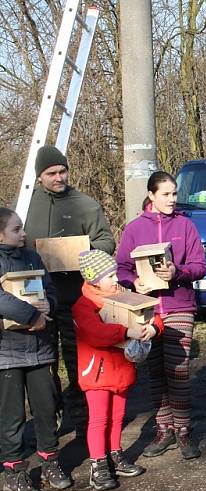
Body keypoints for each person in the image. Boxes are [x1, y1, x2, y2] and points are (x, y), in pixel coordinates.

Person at [23, 145, 116, 437]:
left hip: (78, 297)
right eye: (51, 173)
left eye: (62, 171)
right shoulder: (26, 206)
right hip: (38, 299)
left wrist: (80, 251)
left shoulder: (85, 205)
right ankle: (50, 416)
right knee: (44, 360)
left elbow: (106, 242)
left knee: (78, 359)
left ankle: (82, 417)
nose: (58, 177)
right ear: (39, 176)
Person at [117, 171, 206, 460]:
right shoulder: (133, 229)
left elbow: (200, 266)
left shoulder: (185, 225)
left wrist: (177, 273)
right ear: (151, 195)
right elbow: (122, 269)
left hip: (179, 306)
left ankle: (183, 429)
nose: (172, 199)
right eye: (166, 194)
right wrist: (134, 283)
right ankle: (163, 428)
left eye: (174, 193)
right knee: (155, 371)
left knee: (177, 369)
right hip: (147, 309)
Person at [0, 207, 72, 491]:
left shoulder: (32, 256)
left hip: (40, 349)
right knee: (12, 415)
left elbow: (50, 289)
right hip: (7, 351)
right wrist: (32, 315)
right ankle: (14, 470)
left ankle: (50, 461)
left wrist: (48, 307)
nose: (24, 233)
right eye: (17, 229)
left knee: (45, 409)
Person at [73, 250, 159, 490]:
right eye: (109, 275)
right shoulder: (84, 305)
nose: (115, 279)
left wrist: (154, 329)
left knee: (117, 417)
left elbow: (149, 312)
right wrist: (125, 332)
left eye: (114, 273)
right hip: (97, 373)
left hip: (120, 370)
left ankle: (114, 453)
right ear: (93, 278)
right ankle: (98, 464)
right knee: (99, 419)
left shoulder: (124, 295)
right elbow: (94, 334)